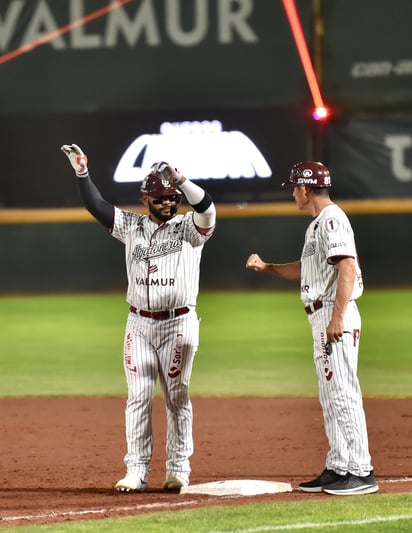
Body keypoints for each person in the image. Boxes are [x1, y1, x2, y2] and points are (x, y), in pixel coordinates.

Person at [61, 144, 216, 492]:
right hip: (140, 325)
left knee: (177, 396)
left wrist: (182, 179)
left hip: (179, 323)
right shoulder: (131, 226)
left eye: (172, 197)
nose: (168, 202)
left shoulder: (189, 228)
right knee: (138, 396)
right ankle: (137, 471)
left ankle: (178, 469)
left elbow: (207, 209)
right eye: (160, 198)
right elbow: (96, 206)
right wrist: (82, 172)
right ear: (145, 200)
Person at [246, 161, 378, 496]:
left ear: (305, 190)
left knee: (343, 393)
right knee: (330, 395)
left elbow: (347, 268)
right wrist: (268, 268)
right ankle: (339, 466)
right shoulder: (319, 223)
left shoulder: (331, 219)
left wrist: (336, 317)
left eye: (294, 187)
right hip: (323, 316)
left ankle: (361, 471)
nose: (292, 193)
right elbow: (307, 271)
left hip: (335, 317)